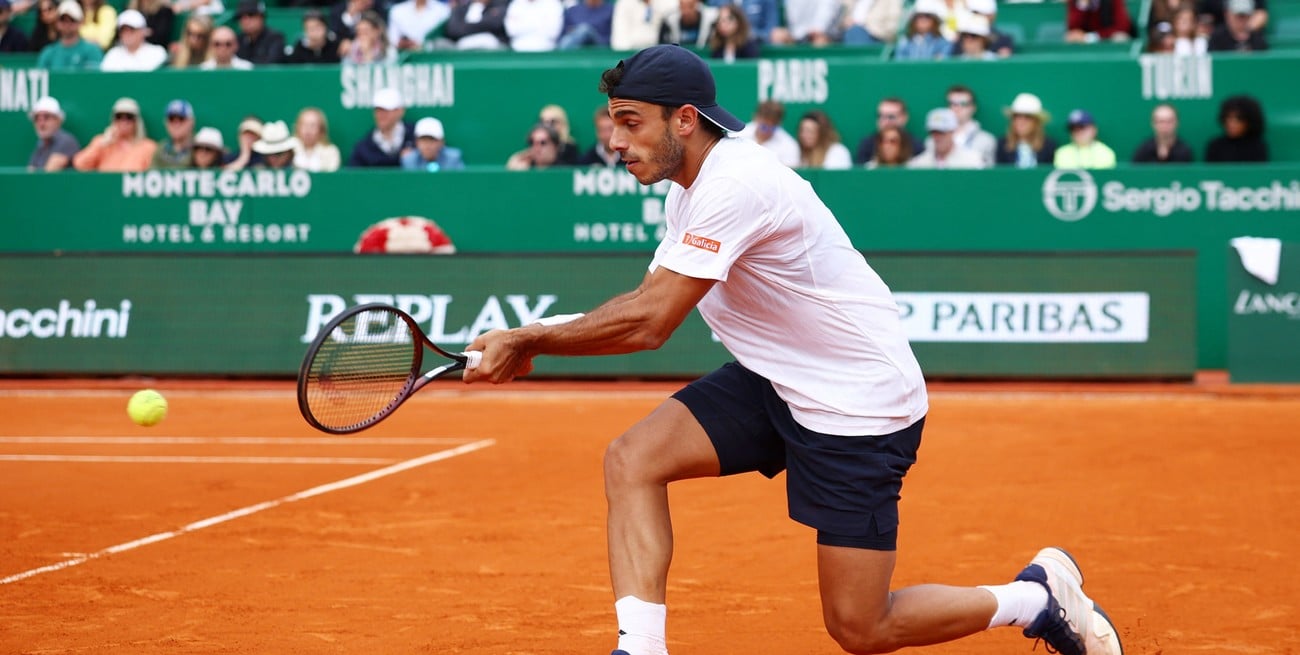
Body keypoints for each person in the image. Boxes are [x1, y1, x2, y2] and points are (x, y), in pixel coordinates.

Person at [460, 44, 1124, 655]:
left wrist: (529, 338)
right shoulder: (691, 188)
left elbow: (649, 323)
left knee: (861, 626)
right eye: (613, 123)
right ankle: (641, 647)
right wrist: (529, 335)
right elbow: (644, 297)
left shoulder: (736, 184)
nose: (615, 141)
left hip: (857, 403)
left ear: (684, 119)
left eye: (630, 123)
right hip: (777, 378)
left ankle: (1036, 598)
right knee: (633, 459)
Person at [72, 96, 158, 172]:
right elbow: (80, 165)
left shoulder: (148, 147)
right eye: (119, 116)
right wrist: (102, 143)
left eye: (129, 117)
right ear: (113, 120)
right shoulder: (102, 142)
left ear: (137, 121)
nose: (124, 121)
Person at [347, 87, 416, 167]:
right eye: (378, 110)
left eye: (386, 111)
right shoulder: (364, 147)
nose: (381, 115)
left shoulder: (416, 137)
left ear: (400, 111)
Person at [934, 85, 996, 167]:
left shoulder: (986, 140)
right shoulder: (934, 140)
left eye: (963, 104)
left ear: (973, 107)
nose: (957, 108)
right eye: (953, 104)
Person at [908, 107, 985, 168]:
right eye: (933, 132)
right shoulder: (918, 163)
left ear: (953, 131)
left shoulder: (972, 160)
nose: (937, 137)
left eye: (942, 132)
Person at [995, 92, 1056, 167]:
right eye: (1017, 116)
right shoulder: (1002, 144)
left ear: (1036, 122)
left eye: (1027, 117)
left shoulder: (1049, 146)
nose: (1021, 122)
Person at [36, 1, 103, 69]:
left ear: (81, 22)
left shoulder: (92, 50)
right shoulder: (48, 53)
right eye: (62, 19)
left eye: (72, 20)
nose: (67, 24)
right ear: (57, 22)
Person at [855, 97, 922, 164]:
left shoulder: (916, 145)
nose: (885, 121)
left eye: (891, 117)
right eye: (880, 116)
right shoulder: (867, 144)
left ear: (904, 117)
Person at [1204, 94, 1268, 162]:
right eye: (1228, 117)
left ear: (1249, 121)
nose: (1231, 123)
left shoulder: (1258, 147)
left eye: (1239, 118)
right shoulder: (1215, 146)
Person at [736, 99, 800, 167]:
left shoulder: (789, 146)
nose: (767, 132)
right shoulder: (739, 135)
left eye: (772, 128)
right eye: (764, 127)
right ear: (755, 117)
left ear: (780, 123)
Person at [100, 9, 168, 70]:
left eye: (132, 30)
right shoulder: (113, 54)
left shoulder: (157, 53)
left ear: (142, 31)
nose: (127, 34)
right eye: (123, 31)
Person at [26, 96, 80, 172]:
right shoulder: (40, 144)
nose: (41, 123)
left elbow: (49, 173)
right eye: (37, 118)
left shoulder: (66, 141)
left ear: (58, 120)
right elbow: (30, 172)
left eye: (46, 117)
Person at [401, 116, 466, 171]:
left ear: (442, 142)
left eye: (432, 140)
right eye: (423, 140)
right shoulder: (409, 160)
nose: (427, 145)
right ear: (416, 142)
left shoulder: (453, 158)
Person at [768, 0, 840, 45]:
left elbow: (826, 14)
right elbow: (792, 21)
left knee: (819, 41)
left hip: (823, 35)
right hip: (797, 35)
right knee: (778, 35)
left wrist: (817, 29)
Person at [443, 0, 508, 49]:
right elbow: (453, 30)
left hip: (493, 49)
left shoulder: (499, 6)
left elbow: (495, 24)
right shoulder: (461, 8)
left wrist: (464, 26)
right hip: (462, 47)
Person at [292, 107, 342, 172]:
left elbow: (332, 175)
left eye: (312, 125)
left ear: (321, 129)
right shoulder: (289, 150)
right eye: (304, 125)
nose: (308, 130)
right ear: (297, 127)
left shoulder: (331, 152)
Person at [152, 99, 197, 169]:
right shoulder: (161, 148)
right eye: (171, 119)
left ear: (191, 122)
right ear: (165, 122)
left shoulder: (202, 147)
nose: (176, 124)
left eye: (181, 119)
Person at [1065, 0, 1132, 42]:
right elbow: (1073, 27)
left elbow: (1123, 26)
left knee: (1120, 38)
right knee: (1071, 37)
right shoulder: (1074, 1)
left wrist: (1091, 37)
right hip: (1084, 39)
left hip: (1107, 38)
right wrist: (1082, 5)